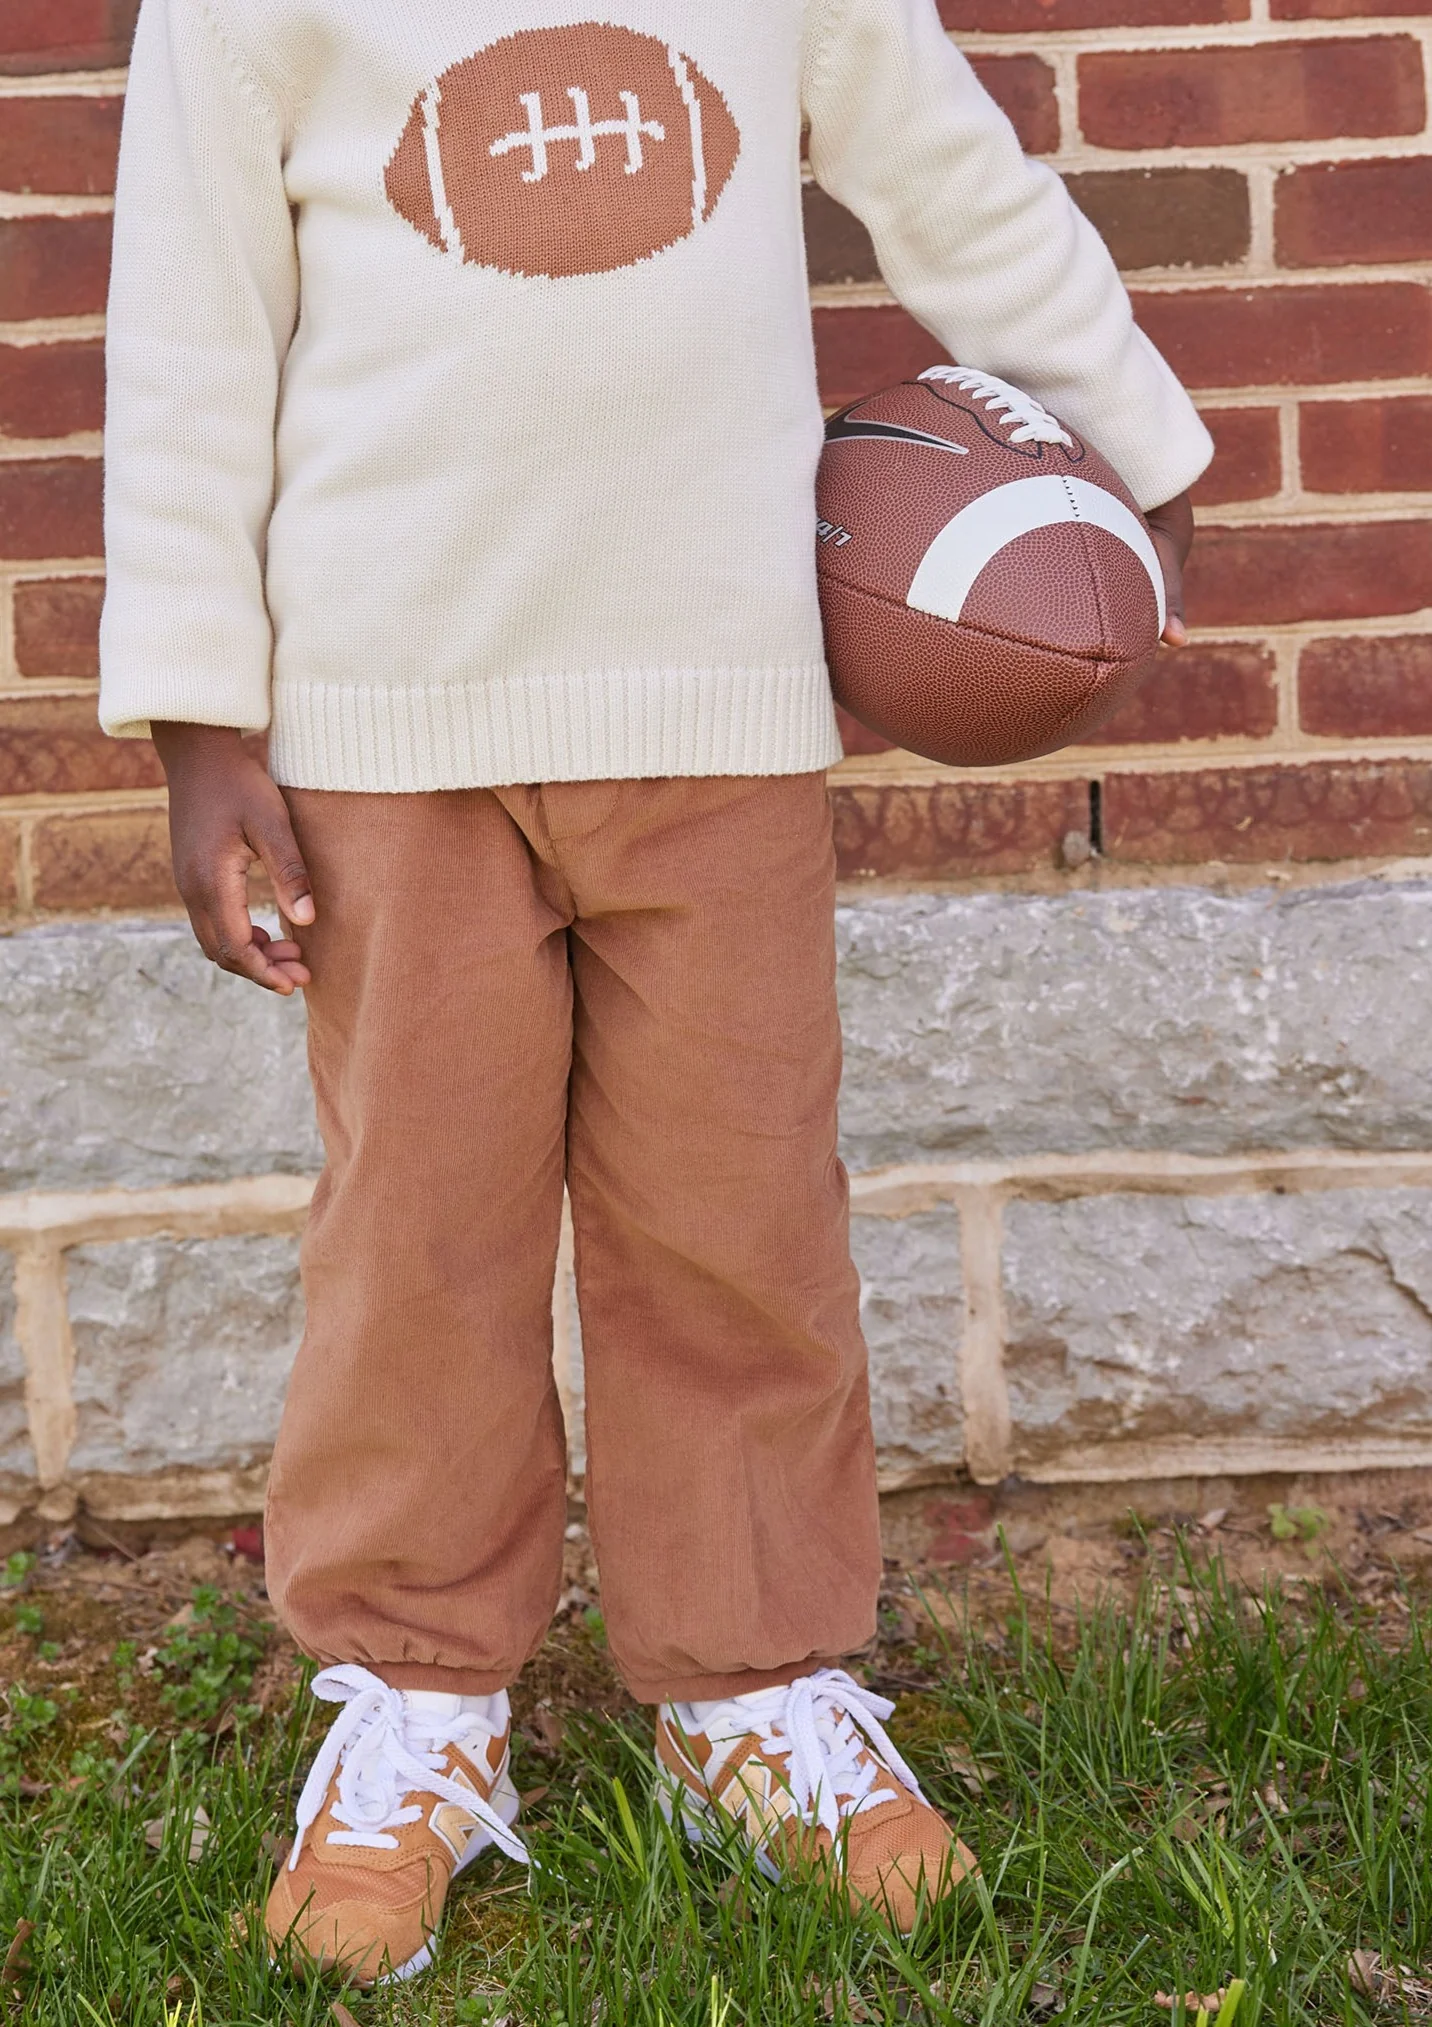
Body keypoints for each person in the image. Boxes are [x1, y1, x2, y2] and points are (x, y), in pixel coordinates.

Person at [99, 0, 1210, 1989]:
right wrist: (199, 714)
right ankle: (419, 1700)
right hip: (389, 720)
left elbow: (949, 174)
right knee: (420, 1235)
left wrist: (1127, 449)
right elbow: (190, 320)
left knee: (740, 1218)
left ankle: (750, 1685)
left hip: (718, 706)